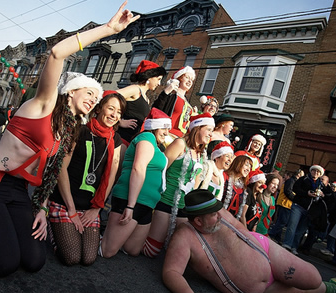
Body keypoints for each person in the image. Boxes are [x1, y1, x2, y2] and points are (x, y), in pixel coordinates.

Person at [0, 2, 139, 277]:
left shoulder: (70, 130)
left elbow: (51, 173)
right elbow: (56, 53)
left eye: (96, 96)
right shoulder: (43, 104)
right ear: (69, 92)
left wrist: (40, 208)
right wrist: (108, 29)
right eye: (88, 92)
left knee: (33, 261)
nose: (93, 99)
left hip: (19, 192)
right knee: (5, 264)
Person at [162, 189, 336, 293]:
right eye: (213, 214)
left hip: (266, 252)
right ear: (197, 222)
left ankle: (326, 286)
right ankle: (334, 289)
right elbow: (171, 272)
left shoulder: (220, 214)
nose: (220, 215)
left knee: (312, 279)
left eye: (218, 210)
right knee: (301, 291)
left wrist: (260, 246)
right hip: (258, 288)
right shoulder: (185, 237)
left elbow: (241, 229)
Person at [48, 92, 126, 265]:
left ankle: (67, 230)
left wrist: (96, 209)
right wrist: (71, 210)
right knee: (72, 257)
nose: (114, 115)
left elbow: (111, 176)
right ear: (98, 108)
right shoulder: (79, 130)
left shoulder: (116, 140)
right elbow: (61, 168)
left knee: (89, 258)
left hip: (90, 206)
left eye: (119, 112)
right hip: (64, 202)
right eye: (111, 108)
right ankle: (52, 226)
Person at [100, 107, 170, 258]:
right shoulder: (146, 138)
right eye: (164, 128)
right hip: (132, 200)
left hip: (146, 204)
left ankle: (112, 236)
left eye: (168, 129)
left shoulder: (157, 146)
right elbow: (138, 169)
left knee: (132, 250)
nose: (167, 132)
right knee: (108, 251)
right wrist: (130, 206)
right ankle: (92, 236)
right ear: (154, 126)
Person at [145, 113, 215, 257]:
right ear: (197, 128)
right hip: (164, 201)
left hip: (183, 208)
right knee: (151, 251)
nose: (211, 134)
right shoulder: (180, 144)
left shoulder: (201, 155)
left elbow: (194, 187)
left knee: (177, 252)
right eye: (208, 129)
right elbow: (160, 169)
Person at [116, 60, 166, 144]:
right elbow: (110, 96)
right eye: (158, 79)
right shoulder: (135, 89)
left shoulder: (147, 99)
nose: (159, 83)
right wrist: (119, 121)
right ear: (149, 77)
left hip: (132, 139)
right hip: (121, 137)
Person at [282, 165, 325, 255]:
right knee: (292, 226)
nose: (315, 173)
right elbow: (295, 188)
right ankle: (287, 244)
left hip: (310, 210)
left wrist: (321, 195)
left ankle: (294, 246)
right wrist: (307, 193)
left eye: (318, 172)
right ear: (311, 171)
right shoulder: (304, 179)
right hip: (298, 206)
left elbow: (328, 196)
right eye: (314, 171)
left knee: (301, 230)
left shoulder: (320, 185)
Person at [152, 66, 196, 145]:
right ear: (179, 79)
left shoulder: (187, 102)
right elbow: (156, 109)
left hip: (180, 140)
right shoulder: (172, 96)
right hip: (167, 136)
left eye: (192, 79)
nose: (190, 81)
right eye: (187, 77)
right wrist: (166, 92)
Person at [268, 170, 299, 243]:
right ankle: (271, 234)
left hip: (283, 203)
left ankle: (277, 237)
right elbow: (288, 192)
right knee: (282, 222)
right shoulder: (291, 181)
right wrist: (296, 198)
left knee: (280, 221)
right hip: (285, 204)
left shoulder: (290, 181)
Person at [221, 154, 253, 220]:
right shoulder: (224, 177)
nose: (248, 169)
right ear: (238, 164)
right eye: (246, 165)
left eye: (250, 167)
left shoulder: (242, 187)